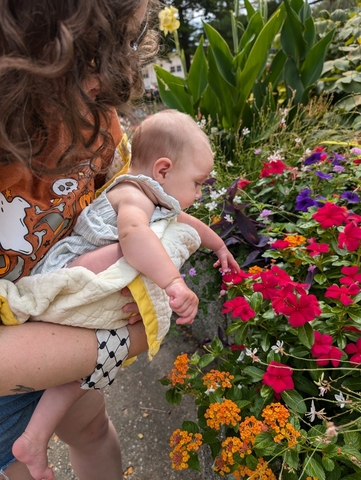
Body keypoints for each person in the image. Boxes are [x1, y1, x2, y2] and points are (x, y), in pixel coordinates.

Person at [11, 109, 240, 480]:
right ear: (163, 170)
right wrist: (173, 284)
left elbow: (186, 221)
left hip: (76, 291)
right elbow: (134, 238)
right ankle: (30, 441)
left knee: (77, 373)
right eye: (198, 182)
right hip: (66, 274)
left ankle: (34, 438)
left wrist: (219, 248)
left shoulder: (156, 197)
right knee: (132, 255)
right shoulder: (134, 194)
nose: (200, 192)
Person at [0, 1, 162, 479]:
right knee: (22, 465)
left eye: (116, 50)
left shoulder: (97, 121)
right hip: (19, 351)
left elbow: (101, 207)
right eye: (78, 60)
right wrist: (130, 336)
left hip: (65, 323)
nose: (103, 80)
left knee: (92, 431)